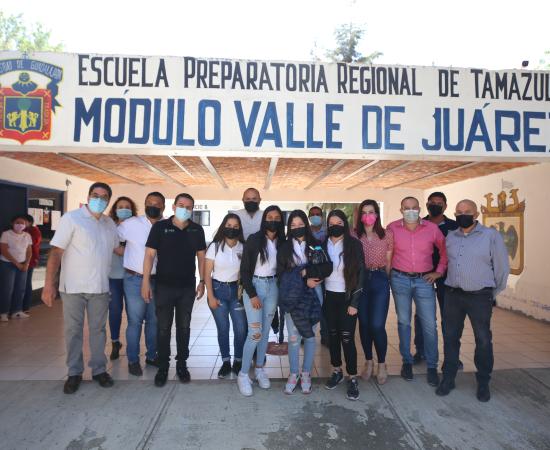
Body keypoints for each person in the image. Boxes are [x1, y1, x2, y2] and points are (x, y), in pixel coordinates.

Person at [42, 182, 121, 394]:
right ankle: (74, 373)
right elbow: (56, 252)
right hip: (73, 287)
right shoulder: (71, 218)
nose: (99, 200)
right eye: (95, 195)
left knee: (98, 331)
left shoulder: (109, 223)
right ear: (88, 196)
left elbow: (118, 249)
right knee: (73, 330)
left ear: (108, 201)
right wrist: (48, 284)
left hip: (100, 287)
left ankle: (99, 370)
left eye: (104, 197)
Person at [436, 199, 509, 402]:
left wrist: (491, 293)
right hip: (453, 295)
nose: (463, 215)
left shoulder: (490, 236)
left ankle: (483, 381)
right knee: (450, 337)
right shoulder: (451, 236)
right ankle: (448, 378)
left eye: (467, 211)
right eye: (459, 211)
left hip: (479, 296)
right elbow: (446, 261)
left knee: (483, 339)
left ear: (476, 214)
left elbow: (502, 268)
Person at [142, 193, 206, 387]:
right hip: (163, 287)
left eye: (188, 207)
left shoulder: (197, 230)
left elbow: (201, 257)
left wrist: (202, 281)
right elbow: (149, 255)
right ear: (173, 207)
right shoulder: (160, 227)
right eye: (181, 205)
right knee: (163, 328)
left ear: (192, 209)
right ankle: (163, 367)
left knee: (184, 327)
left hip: (187, 287)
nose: (184, 209)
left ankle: (181, 365)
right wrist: (145, 281)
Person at [387, 196, 447, 387]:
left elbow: (445, 250)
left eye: (414, 207)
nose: (410, 211)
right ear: (401, 210)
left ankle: (432, 366)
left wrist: (439, 272)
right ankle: (407, 362)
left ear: (420, 209)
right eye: (406, 208)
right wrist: (387, 276)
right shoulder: (392, 228)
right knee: (404, 322)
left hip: (424, 281)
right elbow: (387, 253)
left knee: (429, 324)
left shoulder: (432, 228)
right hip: (400, 279)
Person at [277, 210, 332, 394]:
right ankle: (294, 373)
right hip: (292, 296)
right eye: (293, 225)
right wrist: (302, 278)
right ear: (289, 227)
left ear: (306, 225)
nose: (297, 228)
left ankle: (306, 373)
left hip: (314, 294)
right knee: (294, 338)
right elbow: (281, 275)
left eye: (300, 224)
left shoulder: (316, 244)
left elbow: (327, 267)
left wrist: (308, 273)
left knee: (309, 336)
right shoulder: (284, 247)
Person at [237, 205, 285, 396]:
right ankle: (243, 374)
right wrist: (252, 294)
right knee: (255, 333)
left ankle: (259, 370)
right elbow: (244, 270)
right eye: (269, 217)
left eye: (276, 217)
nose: (273, 220)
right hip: (255, 286)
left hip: (273, 287)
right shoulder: (254, 239)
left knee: (265, 333)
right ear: (264, 219)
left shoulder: (283, 242)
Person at [118, 193, 165, 376]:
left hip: (158, 280)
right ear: (144, 205)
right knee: (135, 321)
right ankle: (133, 360)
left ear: (163, 207)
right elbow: (112, 240)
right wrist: (124, 253)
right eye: (149, 203)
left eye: (157, 204)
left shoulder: (166, 225)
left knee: (154, 321)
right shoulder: (131, 224)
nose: (153, 206)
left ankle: (152, 356)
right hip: (134, 280)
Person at [413, 192, 459, 366]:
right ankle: (421, 351)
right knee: (422, 316)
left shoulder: (455, 227)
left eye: (439, 203)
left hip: (447, 277)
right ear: (427, 205)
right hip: (423, 276)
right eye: (432, 203)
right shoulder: (418, 224)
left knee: (449, 318)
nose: (435, 206)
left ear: (445, 206)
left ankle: (452, 357)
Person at [323, 210, 364, 401]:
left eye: (339, 223)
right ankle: (337, 371)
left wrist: (354, 302)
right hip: (329, 297)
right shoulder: (322, 244)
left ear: (345, 224)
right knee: (332, 336)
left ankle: (352, 377)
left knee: (347, 338)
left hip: (347, 298)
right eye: (331, 223)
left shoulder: (353, 244)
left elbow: (361, 274)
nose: (335, 226)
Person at [353, 200, 393, 385]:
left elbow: (389, 261)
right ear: (360, 215)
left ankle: (382, 364)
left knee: (377, 325)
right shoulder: (354, 234)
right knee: (364, 324)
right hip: (360, 280)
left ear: (377, 214)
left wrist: (385, 280)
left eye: (371, 211)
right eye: (364, 212)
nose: (368, 215)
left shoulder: (387, 235)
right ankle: (368, 361)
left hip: (379, 279)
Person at [204, 213, 247, 379]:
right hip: (218, 290)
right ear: (224, 226)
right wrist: (210, 296)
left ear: (239, 229)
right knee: (223, 329)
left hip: (237, 292)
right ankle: (226, 361)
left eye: (235, 226)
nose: (232, 229)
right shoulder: (214, 247)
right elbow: (207, 274)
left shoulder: (243, 247)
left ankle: (238, 360)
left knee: (240, 329)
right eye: (229, 226)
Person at [106, 196, 137, 361]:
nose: (124, 209)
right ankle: (115, 342)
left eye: (127, 207)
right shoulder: (109, 227)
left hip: (132, 276)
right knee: (115, 310)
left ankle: (133, 346)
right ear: (115, 210)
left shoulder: (137, 227)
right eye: (120, 207)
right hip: (114, 277)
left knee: (134, 313)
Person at [0, 215, 32, 321]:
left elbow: (29, 250)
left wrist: (26, 263)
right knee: (7, 288)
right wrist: (17, 264)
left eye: (22, 223)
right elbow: (4, 250)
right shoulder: (6, 234)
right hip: (7, 264)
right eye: (17, 222)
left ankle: (16, 311)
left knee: (20, 288)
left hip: (23, 264)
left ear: (26, 225)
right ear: (12, 223)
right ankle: (3, 312)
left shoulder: (27, 235)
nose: (20, 225)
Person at [309, 205, 329, 346]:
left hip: (327, 272)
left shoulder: (327, 231)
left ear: (322, 217)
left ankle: (325, 335)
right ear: (309, 217)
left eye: (318, 214)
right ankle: (307, 332)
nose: (315, 216)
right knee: (312, 304)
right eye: (313, 214)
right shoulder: (306, 231)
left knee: (325, 306)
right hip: (311, 273)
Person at [22, 213, 42, 314]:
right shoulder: (26, 230)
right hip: (22, 260)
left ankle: (25, 307)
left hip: (30, 260)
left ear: (29, 222)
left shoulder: (34, 231)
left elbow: (31, 244)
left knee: (26, 284)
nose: (21, 224)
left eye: (23, 222)